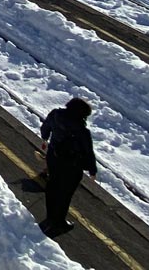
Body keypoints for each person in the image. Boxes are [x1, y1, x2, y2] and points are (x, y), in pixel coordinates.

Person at [39, 97, 97, 237]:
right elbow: (88, 152)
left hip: (53, 157)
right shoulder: (82, 131)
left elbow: (45, 128)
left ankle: (50, 217)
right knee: (65, 194)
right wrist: (92, 170)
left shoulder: (56, 114)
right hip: (71, 166)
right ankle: (59, 223)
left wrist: (45, 139)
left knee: (52, 187)